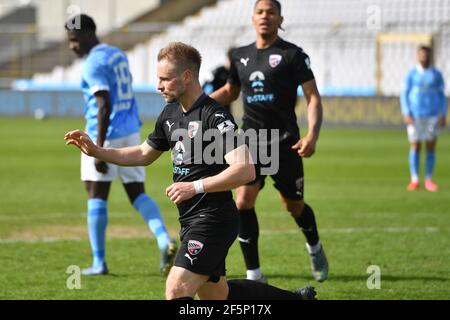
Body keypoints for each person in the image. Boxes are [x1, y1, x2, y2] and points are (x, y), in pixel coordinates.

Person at [65, 41, 317, 300]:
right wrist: (97, 150)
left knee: (176, 290)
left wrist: (194, 186)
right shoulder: (170, 114)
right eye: (158, 79)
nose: (158, 86)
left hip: (214, 220)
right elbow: (142, 153)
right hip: (190, 219)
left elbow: (245, 170)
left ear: (187, 76)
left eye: (165, 79)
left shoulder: (214, 116)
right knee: (219, 297)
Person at [210, 0, 328, 283]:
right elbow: (230, 91)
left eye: (271, 12)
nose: (265, 17)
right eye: (260, 12)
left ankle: (314, 246)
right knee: (244, 201)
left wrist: (312, 134)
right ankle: (255, 275)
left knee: (293, 206)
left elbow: (313, 97)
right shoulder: (240, 56)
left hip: (285, 143)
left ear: (280, 18)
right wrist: (193, 105)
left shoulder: (292, 55)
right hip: (251, 139)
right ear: (253, 18)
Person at [65, 14, 176, 276]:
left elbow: (103, 105)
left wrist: (98, 150)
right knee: (137, 192)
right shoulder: (116, 54)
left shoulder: (92, 64)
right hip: (130, 131)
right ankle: (163, 239)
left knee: (96, 195)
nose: (72, 45)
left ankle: (98, 262)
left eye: (74, 39)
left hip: (104, 133)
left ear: (88, 33)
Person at [400, 45, 447, 192]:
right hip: (415, 115)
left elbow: (442, 96)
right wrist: (406, 112)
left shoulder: (436, 74)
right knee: (415, 145)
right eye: (421, 54)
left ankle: (428, 179)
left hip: (432, 115)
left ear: (429, 56)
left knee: (431, 146)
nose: (423, 57)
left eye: (426, 54)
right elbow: (404, 94)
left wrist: (443, 113)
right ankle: (414, 179)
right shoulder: (411, 74)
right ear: (418, 56)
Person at [202, 48, 234, 114]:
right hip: (214, 106)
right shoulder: (218, 71)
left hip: (226, 105)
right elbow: (206, 87)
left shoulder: (233, 73)